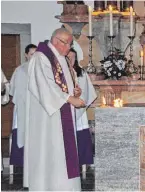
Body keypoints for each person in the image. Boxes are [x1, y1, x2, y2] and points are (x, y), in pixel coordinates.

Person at [23, 28, 85, 190]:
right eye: (68, 44)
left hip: (62, 112)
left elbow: (66, 83)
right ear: (57, 41)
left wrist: (74, 91)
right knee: (50, 150)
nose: (69, 48)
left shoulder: (61, 58)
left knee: (63, 153)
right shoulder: (41, 58)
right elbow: (44, 85)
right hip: (48, 118)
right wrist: (69, 98)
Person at [67, 47, 96, 169]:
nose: (71, 59)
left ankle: (82, 161)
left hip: (79, 109)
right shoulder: (61, 73)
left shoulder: (81, 73)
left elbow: (87, 91)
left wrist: (79, 99)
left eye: (73, 57)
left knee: (80, 137)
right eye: (68, 57)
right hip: (65, 109)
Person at [9, 44, 37, 171]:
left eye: (36, 54)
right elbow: (13, 90)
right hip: (22, 108)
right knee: (22, 132)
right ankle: (21, 164)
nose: (34, 57)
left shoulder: (41, 69)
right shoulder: (19, 70)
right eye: (31, 54)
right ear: (26, 55)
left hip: (37, 110)